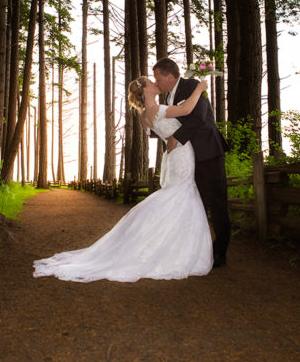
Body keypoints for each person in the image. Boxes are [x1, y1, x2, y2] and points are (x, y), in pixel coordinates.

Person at [33, 77, 213, 283]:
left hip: (173, 156)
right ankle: (175, 249)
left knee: (175, 196)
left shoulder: (143, 116)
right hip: (180, 154)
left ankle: (168, 244)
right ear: (145, 90)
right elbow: (188, 110)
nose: (155, 82)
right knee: (180, 195)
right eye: (149, 81)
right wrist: (200, 88)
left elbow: (156, 131)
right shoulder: (160, 109)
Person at [151, 57, 230, 267]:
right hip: (188, 157)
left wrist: (176, 137)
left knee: (217, 202)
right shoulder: (168, 97)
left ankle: (220, 252)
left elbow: (199, 118)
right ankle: (199, 250)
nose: (156, 82)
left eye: (158, 77)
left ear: (169, 75)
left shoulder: (192, 85)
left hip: (208, 151)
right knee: (196, 204)